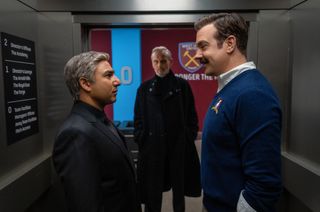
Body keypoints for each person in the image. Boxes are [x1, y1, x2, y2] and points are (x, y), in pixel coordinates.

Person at [194, 13, 282, 212]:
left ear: (229, 43)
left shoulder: (252, 94)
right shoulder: (233, 88)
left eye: (203, 46)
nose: (197, 55)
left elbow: (264, 185)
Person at [52, 51, 141, 212]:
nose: (118, 81)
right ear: (86, 84)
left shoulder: (99, 120)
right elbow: (86, 205)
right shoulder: (75, 133)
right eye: (108, 75)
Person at [134, 46, 201, 212]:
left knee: (179, 190)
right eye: (155, 62)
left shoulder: (182, 86)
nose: (159, 65)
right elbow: (138, 119)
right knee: (152, 190)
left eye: (163, 61)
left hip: (177, 146)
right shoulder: (144, 89)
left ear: (170, 62)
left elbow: (191, 116)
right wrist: (141, 138)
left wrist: (188, 136)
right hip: (153, 147)